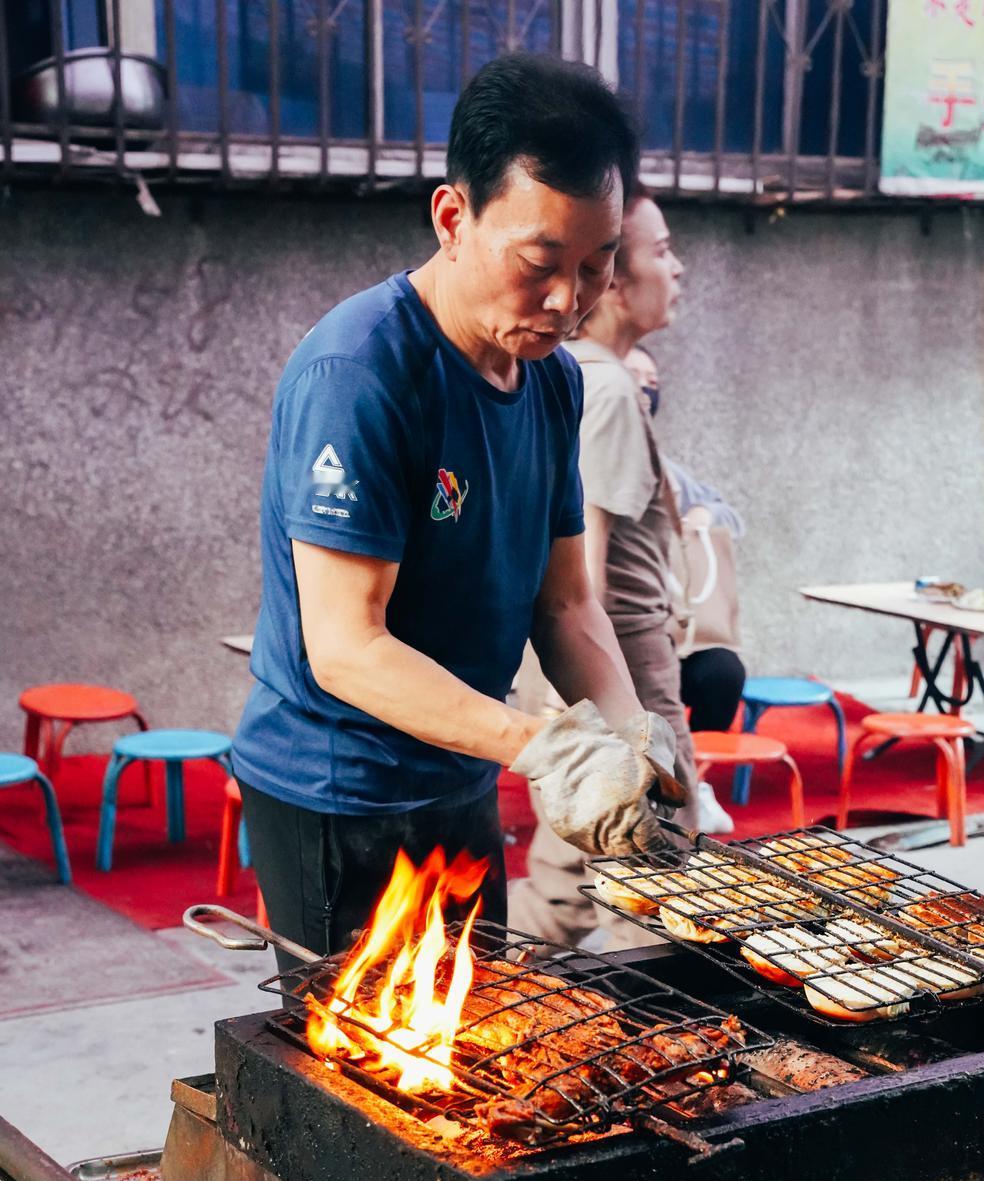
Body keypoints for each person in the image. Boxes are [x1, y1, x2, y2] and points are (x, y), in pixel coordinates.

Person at [230, 53, 683, 956]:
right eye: (540, 263)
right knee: (357, 1087)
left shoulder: (552, 383)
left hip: (464, 777)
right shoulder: (359, 373)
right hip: (339, 798)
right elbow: (348, 647)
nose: (568, 302)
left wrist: (632, 735)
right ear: (452, 217)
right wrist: (548, 748)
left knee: (484, 1064)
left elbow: (565, 602)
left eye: (596, 269)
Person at [511, 191, 695, 946]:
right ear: (613, 278)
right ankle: (655, 1042)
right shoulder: (608, 389)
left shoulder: (561, 373)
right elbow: (580, 574)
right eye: (659, 251)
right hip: (620, 664)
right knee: (654, 880)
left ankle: (483, 999)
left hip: (569, 668)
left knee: (566, 877)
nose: (676, 268)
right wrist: (621, 725)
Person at [623, 342, 748, 743]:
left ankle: (695, 777)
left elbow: (727, 513)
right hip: (617, 622)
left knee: (723, 672)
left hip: (675, 626)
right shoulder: (574, 455)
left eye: (653, 381)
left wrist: (702, 516)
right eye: (633, 377)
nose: (645, 390)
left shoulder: (667, 470)